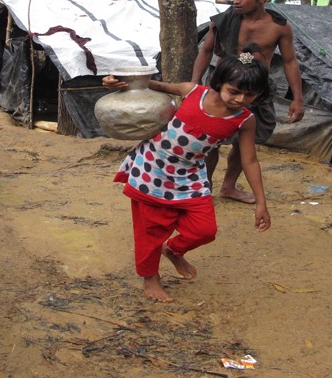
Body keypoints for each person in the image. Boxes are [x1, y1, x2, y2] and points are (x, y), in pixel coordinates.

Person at [104, 47, 272, 303]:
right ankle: (150, 278)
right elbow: (148, 85)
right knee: (150, 230)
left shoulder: (244, 119)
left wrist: (261, 201)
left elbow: (249, 160)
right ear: (218, 83)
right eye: (234, 91)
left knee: (204, 230)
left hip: (190, 177)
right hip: (152, 168)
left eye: (250, 94)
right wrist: (114, 83)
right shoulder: (191, 91)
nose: (240, 99)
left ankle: (173, 250)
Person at [191, 0, 305, 203]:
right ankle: (206, 187)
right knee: (211, 140)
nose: (236, 1)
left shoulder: (278, 27)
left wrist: (297, 98)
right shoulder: (222, 21)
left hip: (255, 89)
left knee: (245, 142)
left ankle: (229, 187)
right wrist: (195, 86)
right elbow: (205, 51)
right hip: (223, 88)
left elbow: (290, 61)